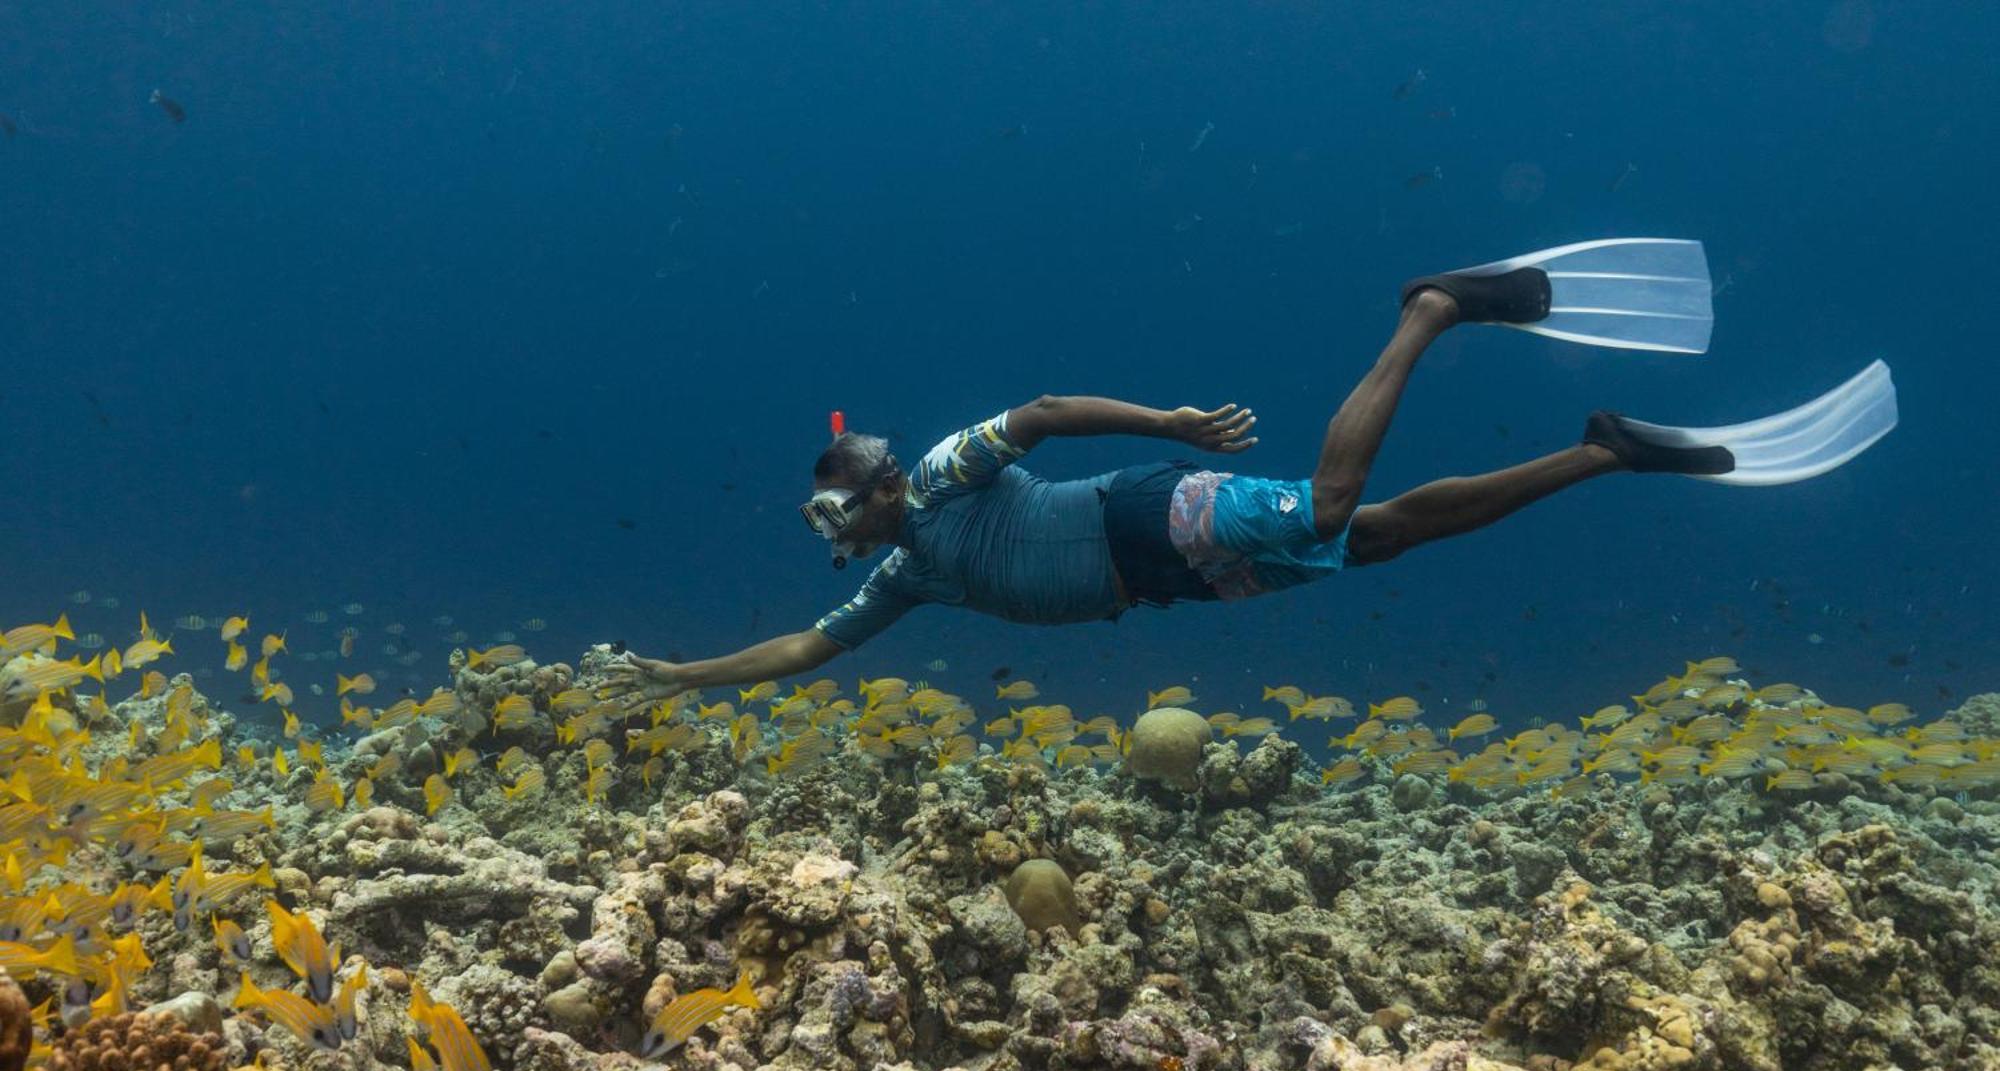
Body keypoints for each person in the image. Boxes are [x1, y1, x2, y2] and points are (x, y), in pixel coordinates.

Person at [603, 237, 1896, 709]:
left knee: (1335, 510)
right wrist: (680, 675)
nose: (875, 493)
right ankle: (1603, 451)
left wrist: (1169, 423)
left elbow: (1046, 412)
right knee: (1375, 537)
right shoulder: (902, 574)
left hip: (1149, 515)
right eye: (855, 493)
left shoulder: (940, 481)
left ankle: (1432, 308)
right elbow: (798, 652)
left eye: (866, 481)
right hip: (1164, 579)